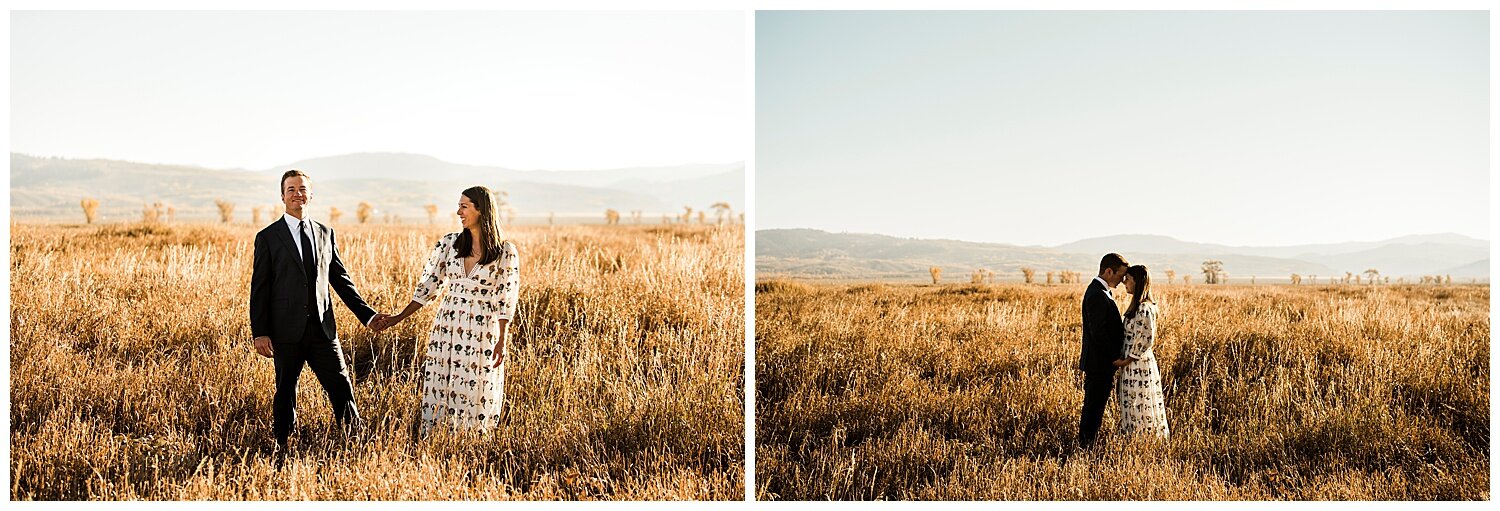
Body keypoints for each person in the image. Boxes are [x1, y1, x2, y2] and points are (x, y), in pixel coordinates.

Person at [249, 169, 389, 451]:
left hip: (323, 331)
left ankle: (355, 441)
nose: (297, 194)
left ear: (311, 195)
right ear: (282, 196)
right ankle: (282, 446)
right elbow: (259, 289)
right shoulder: (268, 237)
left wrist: (368, 315)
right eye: (291, 189)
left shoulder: (325, 233)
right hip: (285, 331)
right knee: (286, 391)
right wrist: (260, 332)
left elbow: (341, 280)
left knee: (341, 386)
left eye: (302, 189)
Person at [373, 186, 519, 433]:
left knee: (477, 384)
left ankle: (471, 439)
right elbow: (428, 287)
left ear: (482, 210)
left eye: (464, 206)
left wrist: (502, 339)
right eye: (459, 205)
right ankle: (437, 437)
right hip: (447, 324)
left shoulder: (505, 252)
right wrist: (397, 318)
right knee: (443, 381)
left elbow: (506, 297)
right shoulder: (450, 244)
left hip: (482, 328)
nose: (458, 211)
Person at [1077, 253, 1129, 449]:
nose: (1123, 280)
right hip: (1099, 363)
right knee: (1093, 408)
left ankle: (1087, 443)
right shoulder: (1097, 294)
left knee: (1095, 406)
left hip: (1100, 362)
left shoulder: (1100, 291)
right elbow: (1098, 332)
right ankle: (1085, 446)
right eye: (1120, 275)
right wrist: (1115, 357)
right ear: (1109, 271)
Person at [1113, 265, 1169, 438]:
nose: (1124, 283)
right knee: (1133, 402)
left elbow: (1146, 338)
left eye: (1127, 279)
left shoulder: (1144, 308)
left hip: (1138, 365)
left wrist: (1126, 361)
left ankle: (1144, 440)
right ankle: (1134, 438)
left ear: (1137, 282)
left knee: (1140, 402)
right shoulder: (1138, 306)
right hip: (1132, 364)